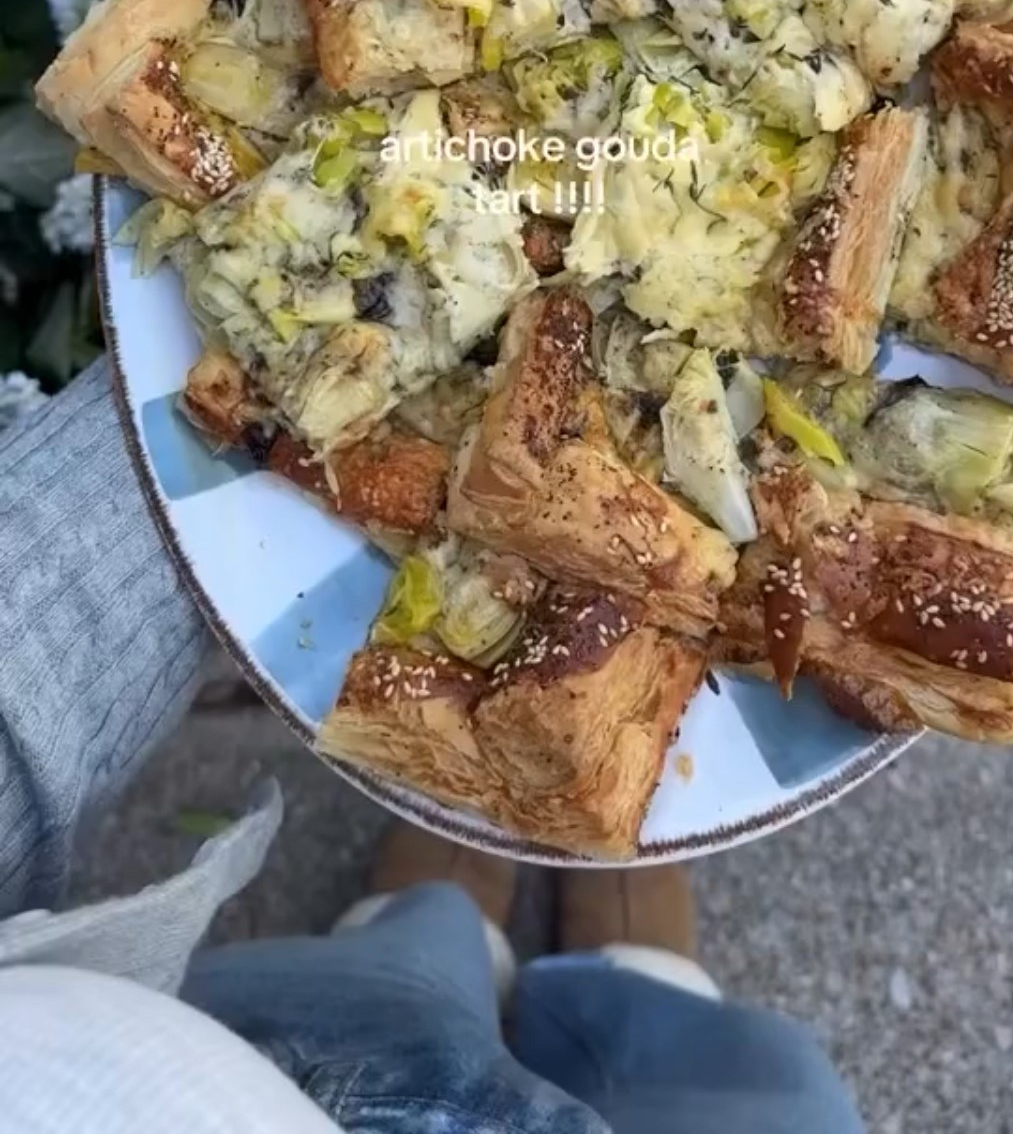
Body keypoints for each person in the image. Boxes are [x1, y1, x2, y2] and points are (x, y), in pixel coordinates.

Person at [0, 360, 865, 1132]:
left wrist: (223, 405)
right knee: (750, 1087)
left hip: (251, 1065)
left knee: (407, 955)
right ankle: (629, 962)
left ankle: (441, 899)